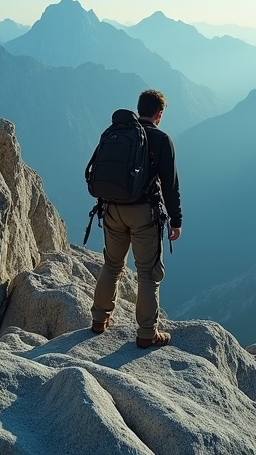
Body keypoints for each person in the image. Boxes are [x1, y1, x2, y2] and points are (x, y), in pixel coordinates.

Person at [90, 89, 182, 348]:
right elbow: (170, 185)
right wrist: (176, 220)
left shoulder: (116, 133)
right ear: (159, 114)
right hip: (143, 213)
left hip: (110, 208)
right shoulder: (161, 139)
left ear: (139, 108)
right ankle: (146, 333)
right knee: (147, 273)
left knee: (112, 265)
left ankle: (99, 320)